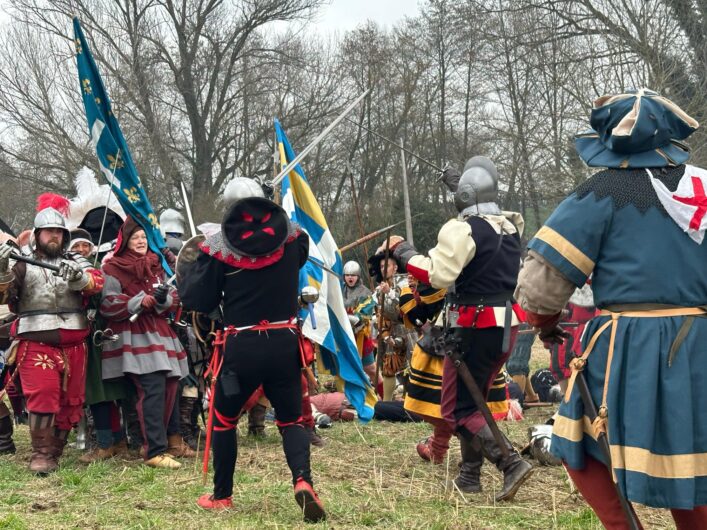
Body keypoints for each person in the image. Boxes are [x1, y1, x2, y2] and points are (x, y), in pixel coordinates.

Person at [515, 89, 707, 528]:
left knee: (577, 440)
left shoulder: (602, 192)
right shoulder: (705, 186)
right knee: (692, 454)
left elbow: (541, 284)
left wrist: (544, 325)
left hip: (629, 345)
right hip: (700, 345)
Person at [178, 177, 325, 522]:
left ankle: (222, 495)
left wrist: (196, 265)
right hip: (285, 343)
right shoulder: (293, 239)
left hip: (242, 345)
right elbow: (296, 250)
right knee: (290, 421)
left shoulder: (218, 248)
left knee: (224, 420)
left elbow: (199, 299)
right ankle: (303, 481)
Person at [392, 156, 533, 502]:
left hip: (473, 328)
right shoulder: (510, 226)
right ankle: (469, 475)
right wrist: (460, 185)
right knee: (475, 403)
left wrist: (404, 253)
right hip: (502, 327)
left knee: (458, 410)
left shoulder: (462, 229)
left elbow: (438, 274)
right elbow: (482, 219)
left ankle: (509, 462)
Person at [0, 194, 104, 473]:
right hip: (36, 341)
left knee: (71, 402)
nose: (54, 236)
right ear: (37, 235)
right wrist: (1, 271)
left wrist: (80, 278)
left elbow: (97, 284)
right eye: (49, 232)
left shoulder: (76, 261)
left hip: (76, 343)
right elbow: (5, 296)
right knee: (43, 395)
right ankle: (41, 454)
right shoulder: (20, 263)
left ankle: (55, 451)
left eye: (59, 232)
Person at [100, 216, 188, 469]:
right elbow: (108, 304)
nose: (140, 241)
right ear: (125, 241)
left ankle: (163, 444)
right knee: (152, 390)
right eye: (135, 236)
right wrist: (141, 301)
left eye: (143, 237)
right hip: (132, 335)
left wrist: (162, 299)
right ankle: (153, 451)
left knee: (170, 386)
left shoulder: (157, 265)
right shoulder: (112, 267)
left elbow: (173, 299)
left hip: (160, 334)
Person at [367, 245, 408, 401]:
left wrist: (389, 293)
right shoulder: (378, 290)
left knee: (409, 370)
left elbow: (405, 308)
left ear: (395, 267)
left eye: (387, 265)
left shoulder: (404, 283)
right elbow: (376, 312)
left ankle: (410, 402)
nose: (384, 268)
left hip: (406, 331)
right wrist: (381, 332)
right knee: (388, 368)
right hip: (387, 333)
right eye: (382, 266)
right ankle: (387, 402)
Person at [342, 261, 376, 383]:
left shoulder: (365, 293)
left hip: (360, 335)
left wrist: (344, 317)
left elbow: (363, 316)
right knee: (347, 369)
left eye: (353, 275)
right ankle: (352, 398)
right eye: (347, 275)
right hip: (344, 336)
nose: (350, 277)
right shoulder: (339, 290)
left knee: (371, 369)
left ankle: (385, 397)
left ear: (358, 276)